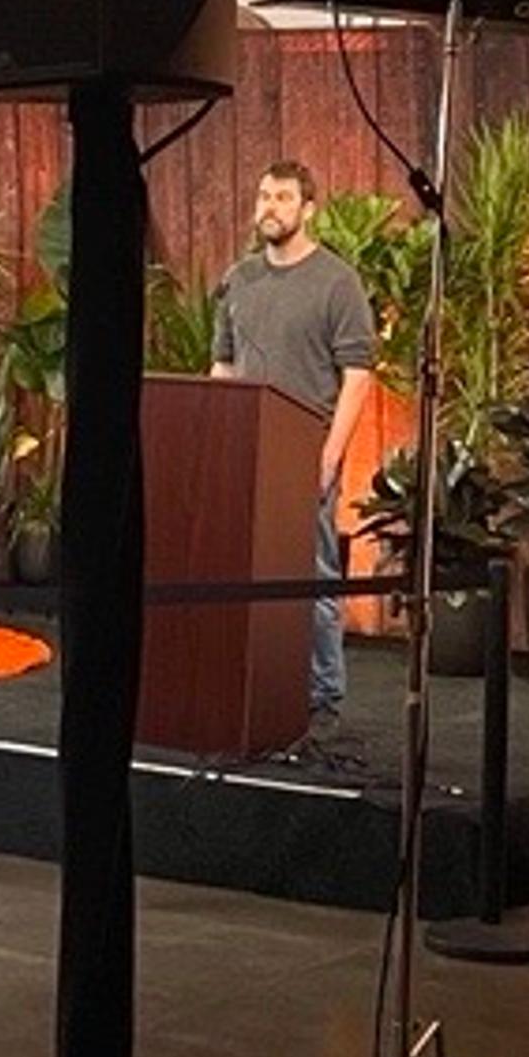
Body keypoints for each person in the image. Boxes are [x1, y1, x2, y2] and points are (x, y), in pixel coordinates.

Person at [211, 156, 379, 742]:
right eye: (263, 196)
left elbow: (357, 374)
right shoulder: (239, 279)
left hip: (304, 453)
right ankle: (252, 689)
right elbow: (224, 364)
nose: (270, 208)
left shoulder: (337, 282)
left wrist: (329, 455)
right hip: (248, 455)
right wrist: (218, 440)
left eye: (283, 198)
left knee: (312, 578)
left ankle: (321, 698)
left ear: (308, 210)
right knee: (243, 576)